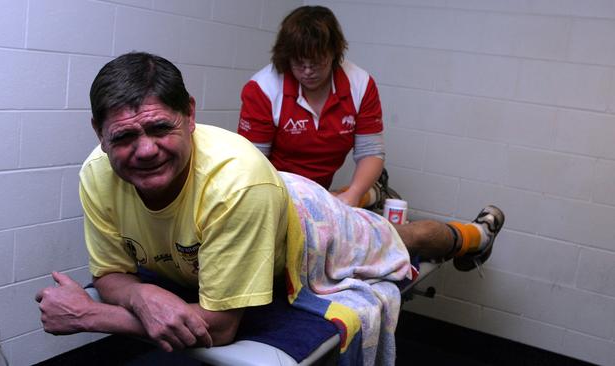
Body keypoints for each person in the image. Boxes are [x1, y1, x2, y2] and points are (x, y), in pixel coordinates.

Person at [35, 52, 504, 363]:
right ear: (98, 132)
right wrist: (143, 295)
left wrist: (90, 316)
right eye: (123, 137)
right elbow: (112, 274)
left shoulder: (238, 184)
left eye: (160, 128)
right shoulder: (96, 174)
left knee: (402, 240)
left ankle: (475, 236)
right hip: (256, 202)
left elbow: (219, 329)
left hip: (309, 222)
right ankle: (374, 200)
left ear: (191, 115)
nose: (144, 150)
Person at [238, 5, 385, 207]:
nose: (307, 71)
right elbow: (253, 164)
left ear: (334, 53)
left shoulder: (360, 84)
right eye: (298, 63)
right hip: (273, 189)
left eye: (316, 63)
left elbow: (370, 152)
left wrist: (354, 194)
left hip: (321, 193)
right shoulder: (263, 88)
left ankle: (378, 191)